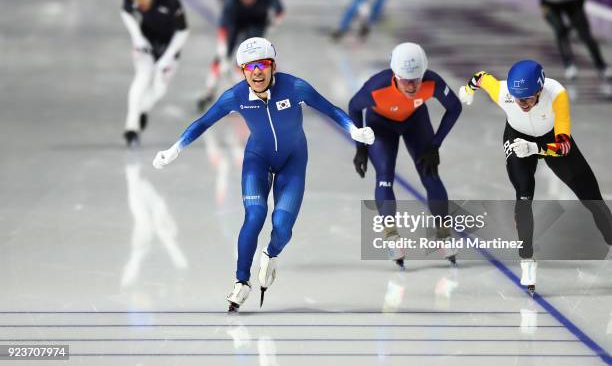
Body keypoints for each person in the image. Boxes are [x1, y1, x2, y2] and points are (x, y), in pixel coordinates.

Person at [153, 37, 375, 311]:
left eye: (262, 65)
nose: (256, 72)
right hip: (257, 159)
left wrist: (354, 131)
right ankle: (241, 282)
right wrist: (175, 149)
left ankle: (271, 254)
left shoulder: (295, 87)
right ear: (242, 71)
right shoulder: (234, 96)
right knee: (255, 215)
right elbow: (203, 122)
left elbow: (330, 110)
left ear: (273, 67)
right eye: (249, 67)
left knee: (282, 227)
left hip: (293, 162)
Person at [459, 59, 612, 293]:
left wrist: (536, 149)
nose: (523, 104)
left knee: (592, 199)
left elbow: (564, 146)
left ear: (540, 89)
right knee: (523, 195)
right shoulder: (503, 92)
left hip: (552, 140)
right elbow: (480, 77)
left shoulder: (557, 94)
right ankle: (527, 260)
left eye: (528, 98)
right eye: (519, 99)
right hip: (517, 138)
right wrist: (467, 90)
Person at [348, 42, 462, 267]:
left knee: (430, 176)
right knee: (384, 177)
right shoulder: (375, 87)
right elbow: (353, 107)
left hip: (415, 121)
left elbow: (455, 107)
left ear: (424, 74)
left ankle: (443, 233)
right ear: (394, 74)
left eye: (416, 80)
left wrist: (435, 144)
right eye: (405, 80)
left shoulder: (433, 81)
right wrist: (360, 147)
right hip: (381, 126)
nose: (411, 86)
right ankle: (391, 236)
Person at [197, 0, 284, 112]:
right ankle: (209, 90)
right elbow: (223, 29)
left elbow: (280, 11)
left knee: (251, 59)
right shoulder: (231, 0)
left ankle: (260, 91)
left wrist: (273, 24)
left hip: (256, 25)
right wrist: (223, 51)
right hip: (235, 25)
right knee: (221, 58)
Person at [509, 0, 612, 80]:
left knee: (586, 36)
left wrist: (573, 25)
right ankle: (569, 65)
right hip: (550, 6)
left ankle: (602, 67)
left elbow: (579, 9)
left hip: (571, 4)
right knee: (560, 30)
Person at [121, 0, 189, 146]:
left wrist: (167, 57)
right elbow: (126, 12)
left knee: (159, 88)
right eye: (136, 1)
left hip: (170, 47)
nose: (139, 5)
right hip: (146, 42)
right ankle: (131, 126)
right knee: (142, 76)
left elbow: (183, 31)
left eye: (143, 1)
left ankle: (143, 110)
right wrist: (137, 37)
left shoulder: (170, 1)